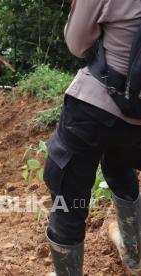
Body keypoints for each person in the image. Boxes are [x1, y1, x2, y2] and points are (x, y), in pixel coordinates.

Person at [44, 1, 141, 275]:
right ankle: (133, 256)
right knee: (121, 167)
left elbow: (78, 45)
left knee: (68, 200)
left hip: (96, 107)